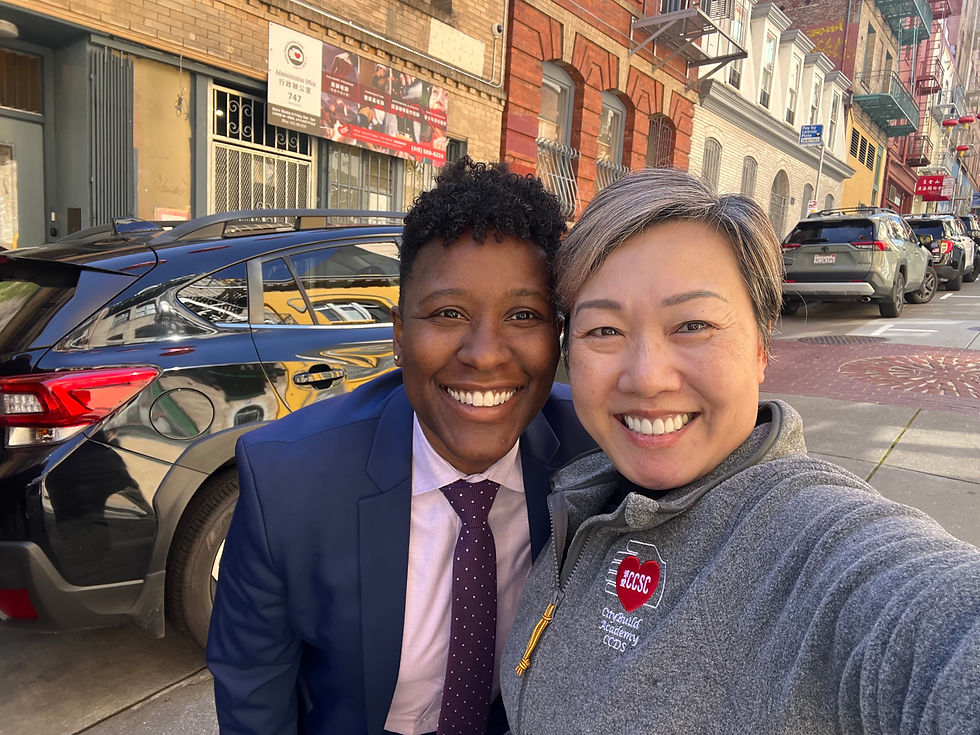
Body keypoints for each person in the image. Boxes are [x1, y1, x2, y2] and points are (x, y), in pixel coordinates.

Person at [500, 168, 980, 733]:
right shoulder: (584, 492)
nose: (648, 377)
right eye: (604, 331)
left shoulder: (820, 547)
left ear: (762, 344)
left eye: (693, 324)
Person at [208, 157, 596, 735]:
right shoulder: (287, 482)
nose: (485, 354)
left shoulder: (593, 454)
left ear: (556, 337)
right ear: (397, 334)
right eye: (447, 313)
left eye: (523, 315)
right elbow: (253, 701)